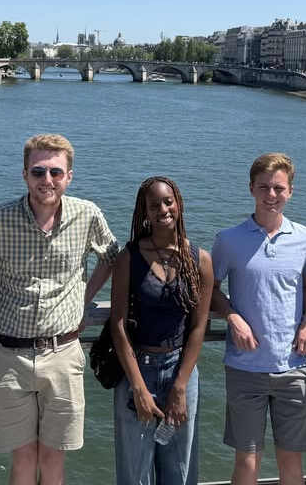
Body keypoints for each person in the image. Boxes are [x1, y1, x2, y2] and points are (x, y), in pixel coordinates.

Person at [0, 133, 119, 485]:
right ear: (25, 174)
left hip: (63, 353)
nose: (47, 180)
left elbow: (111, 257)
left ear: (69, 176)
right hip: (9, 356)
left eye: (56, 172)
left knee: (54, 456)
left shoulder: (87, 215)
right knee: (24, 458)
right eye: (38, 171)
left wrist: (84, 299)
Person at [209, 153, 306, 485]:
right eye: (264, 187)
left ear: (291, 191)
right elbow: (210, 289)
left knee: (291, 463)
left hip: (294, 367)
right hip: (245, 368)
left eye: (278, 188)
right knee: (246, 461)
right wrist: (232, 316)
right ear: (251, 189)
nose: (271, 195)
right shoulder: (228, 239)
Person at [110, 177, 213, 485]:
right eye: (153, 205)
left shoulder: (200, 259)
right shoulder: (128, 258)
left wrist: (180, 388)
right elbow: (117, 324)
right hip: (137, 370)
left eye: (168, 202)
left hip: (180, 370)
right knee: (135, 473)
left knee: (179, 471)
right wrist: (138, 388)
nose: (163, 209)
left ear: (178, 204)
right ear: (144, 212)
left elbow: (197, 326)